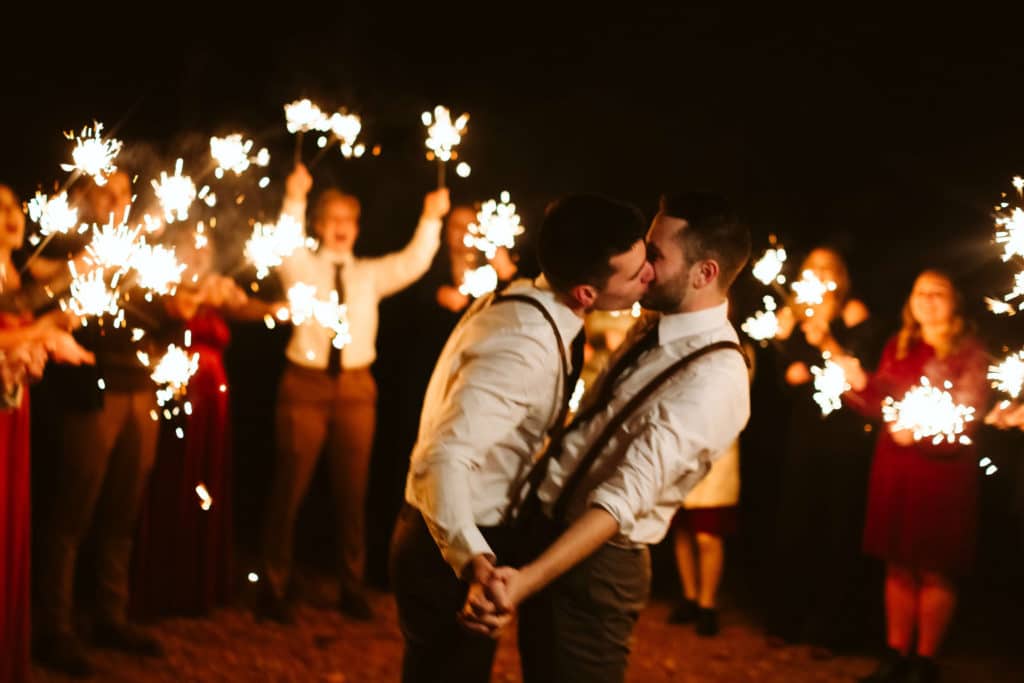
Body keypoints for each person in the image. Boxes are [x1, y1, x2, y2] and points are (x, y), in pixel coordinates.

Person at [464, 192, 752, 683]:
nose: (640, 264)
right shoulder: (654, 325)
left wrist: (524, 582)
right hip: (551, 539)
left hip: (596, 568)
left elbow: (620, 504)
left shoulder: (717, 376)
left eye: (655, 256)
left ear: (704, 274)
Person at [391, 194, 653, 683]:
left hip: (467, 533)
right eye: (636, 272)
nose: (650, 275)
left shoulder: (534, 304)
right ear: (586, 294)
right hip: (450, 543)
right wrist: (474, 562)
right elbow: (443, 456)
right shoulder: (522, 345)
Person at [260, 163, 450, 622]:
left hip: (356, 388)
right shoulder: (299, 266)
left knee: (353, 493)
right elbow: (284, 235)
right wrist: (295, 195)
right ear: (319, 226)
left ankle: (352, 585)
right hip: (303, 386)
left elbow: (414, 261)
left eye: (349, 220)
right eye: (333, 220)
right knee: (289, 488)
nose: (342, 228)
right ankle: (273, 585)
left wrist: (431, 218)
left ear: (357, 227)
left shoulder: (368, 274)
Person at [34, 171, 172, 677]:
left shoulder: (145, 250)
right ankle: (55, 628)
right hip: (91, 397)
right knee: (72, 512)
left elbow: (162, 314)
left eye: (122, 192)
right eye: (104, 193)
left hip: (141, 391)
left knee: (122, 512)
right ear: (84, 199)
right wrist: (81, 268)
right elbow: (34, 289)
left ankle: (110, 615)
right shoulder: (65, 244)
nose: (115, 201)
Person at [834, 270, 989, 683]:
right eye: (920, 292)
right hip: (895, 468)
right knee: (898, 563)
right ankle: (895, 654)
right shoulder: (900, 345)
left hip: (941, 473)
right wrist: (855, 384)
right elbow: (878, 400)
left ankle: (924, 662)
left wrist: (918, 431)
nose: (928, 300)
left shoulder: (970, 353)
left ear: (955, 300)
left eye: (938, 293)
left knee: (934, 566)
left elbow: (967, 414)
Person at [0, 183, 94, 683]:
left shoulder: (11, 271)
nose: (11, 216)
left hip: (11, 412)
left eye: (14, 206)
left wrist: (51, 336)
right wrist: (43, 329)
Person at [768, 247, 883, 654]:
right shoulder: (793, 316)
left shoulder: (854, 315)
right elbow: (783, 381)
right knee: (798, 520)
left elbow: (862, 378)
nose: (818, 273)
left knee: (837, 526)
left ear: (841, 275)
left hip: (843, 436)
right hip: (804, 432)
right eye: (811, 267)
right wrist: (785, 355)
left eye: (827, 267)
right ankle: (789, 619)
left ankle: (832, 628)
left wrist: (828, 339)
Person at [131, 231, 248, 618]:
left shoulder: (218, 289)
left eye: (205, 248)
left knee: (206, 478)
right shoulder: (161, 286)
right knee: (172, 477)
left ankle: (199, 583)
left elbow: (251, 307)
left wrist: (236, 297)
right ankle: (163, 583)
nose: (197, 253)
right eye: (189, 246)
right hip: (179, 391)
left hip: (214, 400)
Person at [668, 339, 754, 637]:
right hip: (682, 446)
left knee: (707, 534)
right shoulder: (682, 341)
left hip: (716, 448)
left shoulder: (739, 350)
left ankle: (708, 603)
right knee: (682, 528)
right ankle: (689, 596)